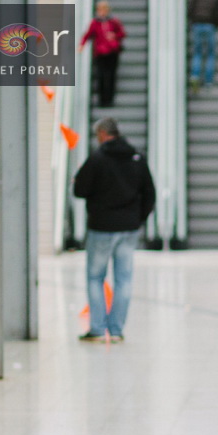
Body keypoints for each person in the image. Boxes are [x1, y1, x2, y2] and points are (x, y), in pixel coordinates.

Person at [73, 118, 156, 343]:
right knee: (124, 279)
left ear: (102, 133)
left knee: (95, 277)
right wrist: (137, 219)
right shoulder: (136, 158)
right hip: (128, 228)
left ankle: (98, 330)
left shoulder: (97, 159)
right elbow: (150, 193)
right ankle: (117, 330)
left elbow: (79, 189)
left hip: (101, 226)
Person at [80, 0, 125, 107]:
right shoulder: (95, 23)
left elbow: (122, 33)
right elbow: (89, 34)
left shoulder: (113, 22)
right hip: (100, 53)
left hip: (112, 52)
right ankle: (102, 100)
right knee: (101, 76)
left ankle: (110, 99)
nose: (102, 12)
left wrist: (114, 35)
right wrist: (82, 44)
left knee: (111, 76)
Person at [187, 0, 218, 94]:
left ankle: (195, 76)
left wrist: (193, 21)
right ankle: (208, 81)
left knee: (197, 52)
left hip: (197, 25)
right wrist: (216, 25)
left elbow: (190, 8)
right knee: (210, 53)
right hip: (210, 26)